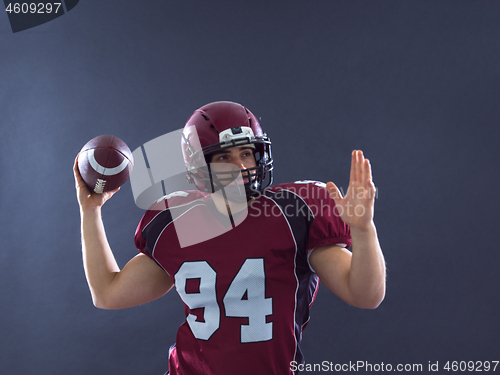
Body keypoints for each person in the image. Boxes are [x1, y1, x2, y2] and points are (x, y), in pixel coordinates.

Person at [74, 101, 386, 375]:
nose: (239, 167)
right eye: (223, 157)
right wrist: (90, 211)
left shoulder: (295, 212)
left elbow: (365, 295)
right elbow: (108, 293)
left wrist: (363, 231)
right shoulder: (178, 221)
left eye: (246, 153)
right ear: (198, 166)